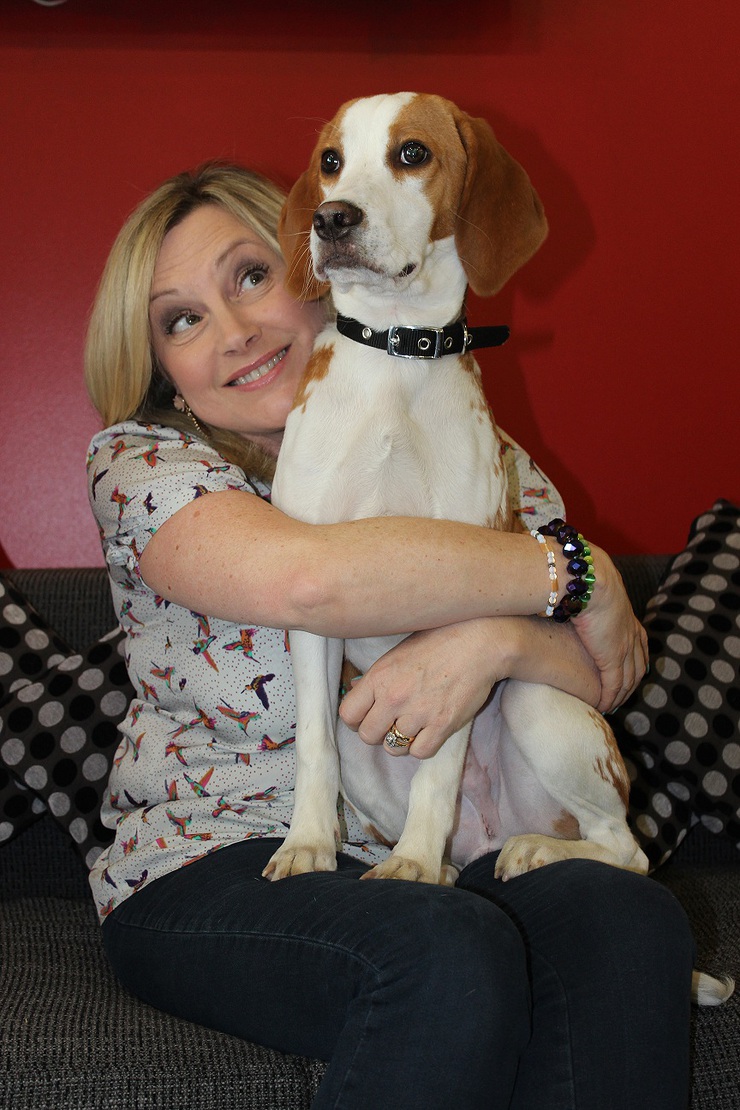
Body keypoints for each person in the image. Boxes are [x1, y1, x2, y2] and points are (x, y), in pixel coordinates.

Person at [84, 162, 693, 1110]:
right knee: (444, 949)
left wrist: (489, 644)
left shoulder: (473, 432)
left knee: (626, 919)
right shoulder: (141, 463)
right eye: (182, 318)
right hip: (208, 859)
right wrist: (577, 571)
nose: (236, 330)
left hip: (433, 843)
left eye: (250, 276)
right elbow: (310, 581)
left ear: (324, 262)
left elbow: (604, 674)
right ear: (162, 362)